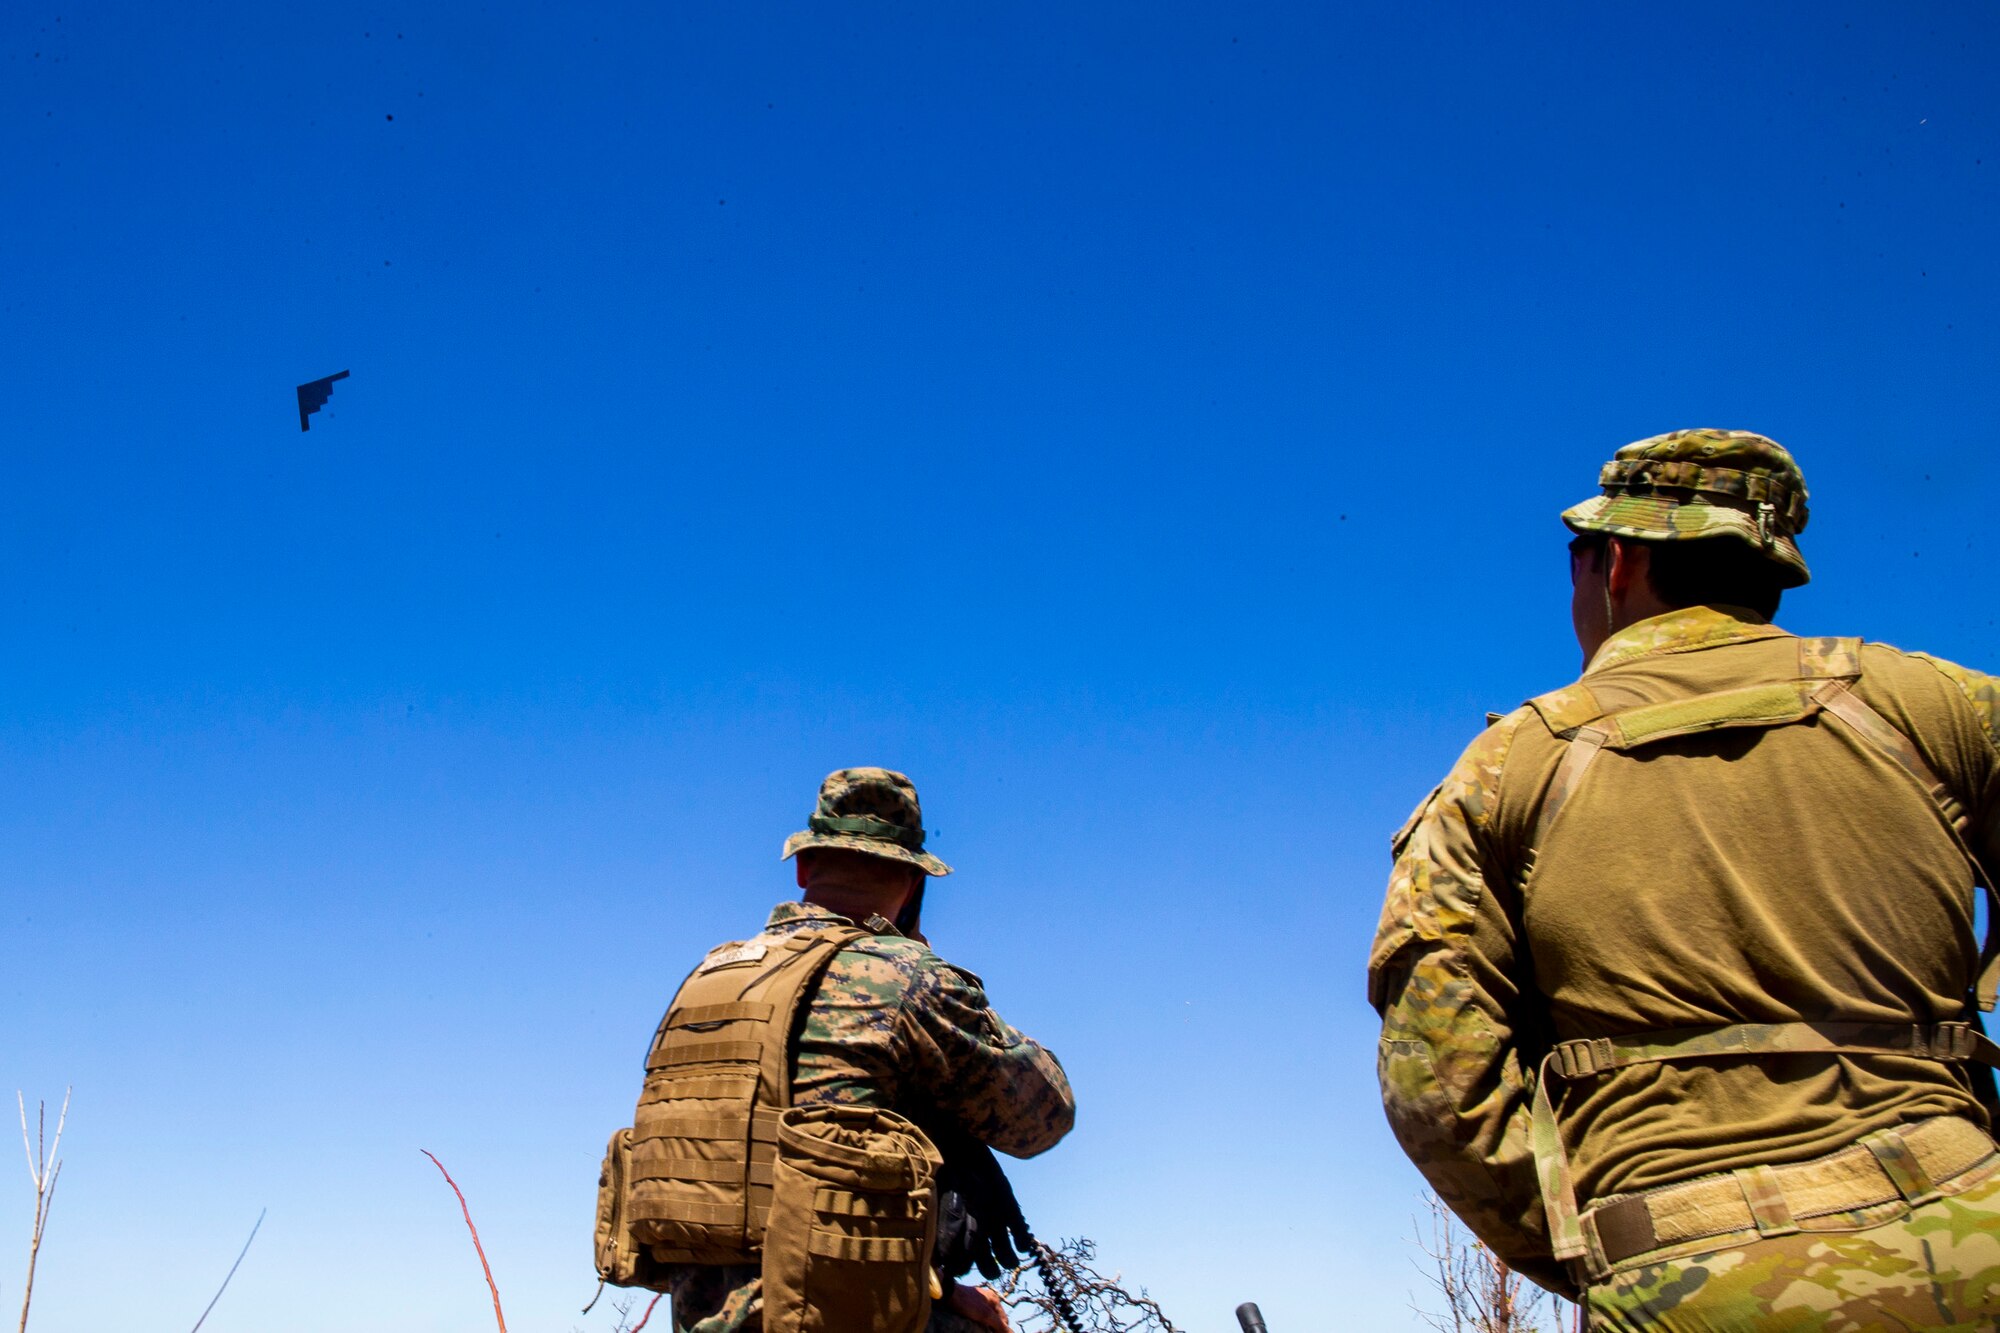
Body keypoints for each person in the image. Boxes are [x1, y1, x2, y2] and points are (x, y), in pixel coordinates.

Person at [1368, 430, 2000, 1330]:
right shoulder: (1937, 705)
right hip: (1973, 1231)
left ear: (1616, 562)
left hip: (1677, 1272)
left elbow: (1436, 1081)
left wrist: (1610, 1251)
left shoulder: (1507, 766)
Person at [621, 766, 1075, 1333]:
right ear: (914, 882)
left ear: (805, 866)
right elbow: (1044, 1117)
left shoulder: (709, 978)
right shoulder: (907, 977)